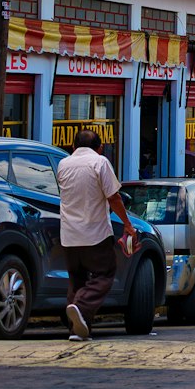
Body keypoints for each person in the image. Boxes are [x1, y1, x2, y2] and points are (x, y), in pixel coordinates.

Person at [58, 127, 138, 341]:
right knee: (104, 274)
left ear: (73, 146)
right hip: (95, 233)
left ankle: (77, 330)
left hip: (68, 236)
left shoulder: (62, 164)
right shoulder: (100, 163)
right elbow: (114, 198)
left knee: (77, 280)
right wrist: (128, 225)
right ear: (100, 148)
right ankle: (81, 308)